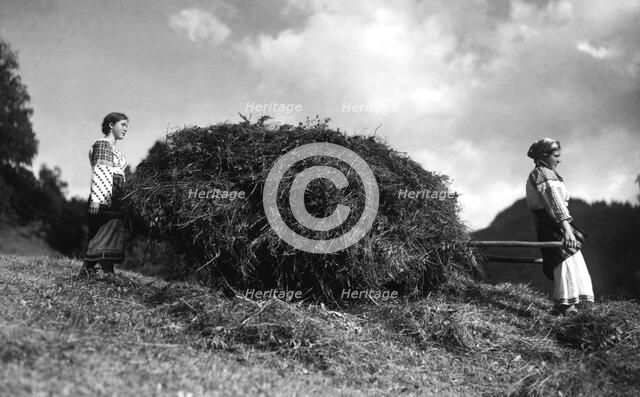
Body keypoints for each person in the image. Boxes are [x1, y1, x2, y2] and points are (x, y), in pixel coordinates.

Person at [525, 138, 594, 316]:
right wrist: (567, 229)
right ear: (543, 156)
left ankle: (572, 304)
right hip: (553, 224)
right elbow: (554, 203)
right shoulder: (542, 174)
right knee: (564, 263)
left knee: (571, 260)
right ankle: (565, 306)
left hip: (557, 222)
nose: (559, 160)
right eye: (555, 156)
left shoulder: (548, 174)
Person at [78, 112, 129, 277]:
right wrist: (97, 200)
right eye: (123, 125)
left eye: (126, 126)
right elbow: (101, 170)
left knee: (110, 232)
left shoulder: (115, 150)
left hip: (115, 197)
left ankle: (94, 270)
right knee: (101, 232)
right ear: (111, 125)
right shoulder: (102, 144)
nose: (125, 129)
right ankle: (103, 272)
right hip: (104, 196)